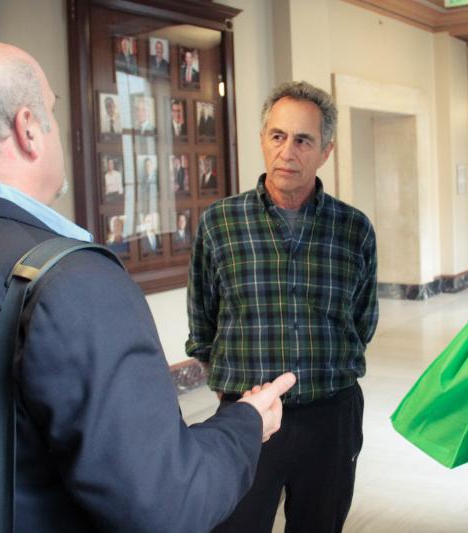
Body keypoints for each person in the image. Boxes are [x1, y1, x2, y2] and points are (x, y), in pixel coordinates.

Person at [0, 39, 296, 533]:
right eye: (51, 112)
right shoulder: (71, 281)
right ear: (28, 129)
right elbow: (164, 506)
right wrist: (245, 423)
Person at [187, 81, 378, 533]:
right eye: (277, 136)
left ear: (325, 150)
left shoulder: (353, 229)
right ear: (262, 140)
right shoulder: (221, 223)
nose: (287, 151)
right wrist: (233, 389)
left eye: (302, 140)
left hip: (330, 416)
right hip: (247, 418)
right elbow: (203, 320)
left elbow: (362, 320)